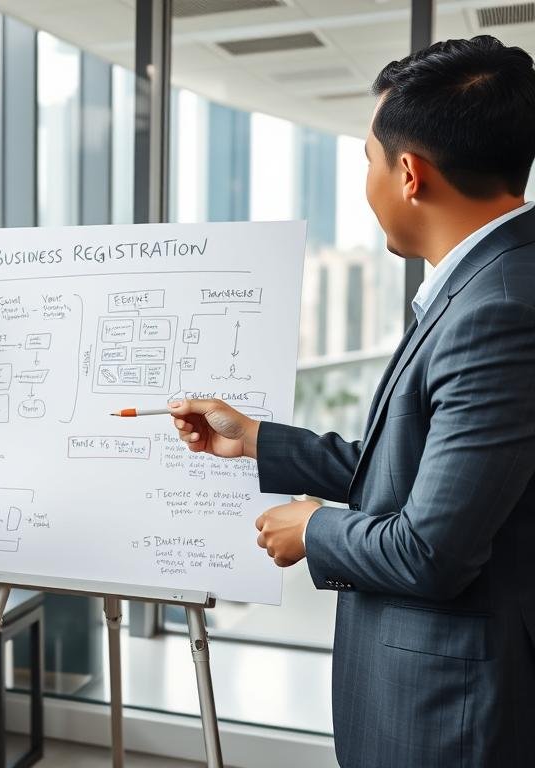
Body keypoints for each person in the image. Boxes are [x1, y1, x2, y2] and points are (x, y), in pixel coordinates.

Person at [168, 36, 535, 767]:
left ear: (408, 174)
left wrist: (315, 527)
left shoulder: (498, 307)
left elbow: (432, 551)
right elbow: (418, 473)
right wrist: (255, 439)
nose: (364, 183)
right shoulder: (494, 282)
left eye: (366, 161)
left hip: (446, 715)